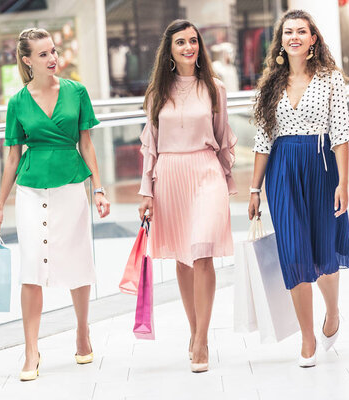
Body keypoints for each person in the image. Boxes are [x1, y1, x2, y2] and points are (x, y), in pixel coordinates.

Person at [0, 28, 110, 381]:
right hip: (30, 190)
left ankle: (82, 331)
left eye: (53, 51)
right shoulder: (17, 103)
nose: (52, 58)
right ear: (27, 61)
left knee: (78, 259)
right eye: (43, 54)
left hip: (72, 185)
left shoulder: (77, 92)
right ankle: (31, 349)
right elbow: (12, 157)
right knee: (31, 268)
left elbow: (86, 143)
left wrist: (98, 188)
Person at [248, 10, 349, 368]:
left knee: (324, 254)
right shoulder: (269, 87)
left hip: (321, 168)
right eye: (288, 32)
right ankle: (307, 338)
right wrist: (254, 189)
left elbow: (341, 133)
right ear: (280, 41)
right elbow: (263, 141)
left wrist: (343, 182)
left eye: (301, 31)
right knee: (294, 253)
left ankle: (333, 313)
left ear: (313, 39)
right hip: (282, 171)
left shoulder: (330, 80)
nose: (294, 36)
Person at [137, 19, 237, 373]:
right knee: (182, 257)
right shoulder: (155, 95)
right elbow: (150, 146)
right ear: (170, 50)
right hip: (169, 176)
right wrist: (146, 191)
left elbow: (223, 136)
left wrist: (228, 180)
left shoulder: (215, 88)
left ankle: (202, 339)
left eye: (193, 41)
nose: (189, 47)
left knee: (203, 251)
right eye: (181, 42)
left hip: (207, 172)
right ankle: (194, 331)